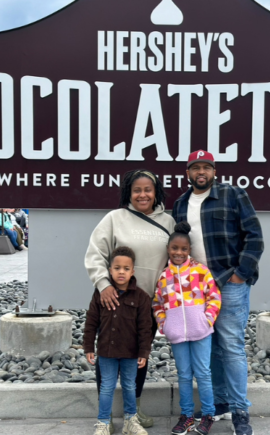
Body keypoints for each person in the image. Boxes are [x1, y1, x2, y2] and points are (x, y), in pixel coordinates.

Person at [172, 150, 264, 435]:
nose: (201, 172)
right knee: (208, 347)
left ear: (214, 171)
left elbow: (255, 237)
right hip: (197, 290)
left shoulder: (233, 194)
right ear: (187, 173)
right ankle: (221, 402)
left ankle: (240, 410)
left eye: (206, 167)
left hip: (229, 283)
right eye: (195, 167)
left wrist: (241, 274)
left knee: (232, 347)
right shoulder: (180, 204)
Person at [85, 169, 175, 431]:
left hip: (147, 305)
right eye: (137, 190)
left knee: (139, 357)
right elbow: (94, 255)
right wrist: (103, 285)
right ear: (129, 193)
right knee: (108, 358)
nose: (143, 194)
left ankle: (132, 413)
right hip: (115, 301)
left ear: (156, 192)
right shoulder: (114, 219)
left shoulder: (168, 223)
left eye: (148, 189)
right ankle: (105, 418)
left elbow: (175, 260)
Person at [152, 222, 221, 435]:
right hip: (176, 334)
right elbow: (157, 303)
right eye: (175, 248)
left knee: (203, 373)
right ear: (168, 249)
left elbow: (215, 296)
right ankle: (187, 416)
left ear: (189, 250)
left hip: (201, 332)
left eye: (183, 249)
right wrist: (164, 325)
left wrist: (207, 320)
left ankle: (208, 414)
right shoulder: (164, 276)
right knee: (183, 374)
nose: (179, 253)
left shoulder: (200, 271)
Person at [84, 247, 152, 435]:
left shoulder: (141, 297)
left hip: (131, 353)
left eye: (126, 268)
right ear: (109, 270)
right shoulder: (100, 294)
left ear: (133, 271)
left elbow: (145, 329)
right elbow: (91, 321)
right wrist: (89, 346)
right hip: (107, 352)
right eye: (117, 268)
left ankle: (131, 421)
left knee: (130, 386)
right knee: (107, 386)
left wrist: (144, 352)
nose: (121, 272)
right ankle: (103, 422)